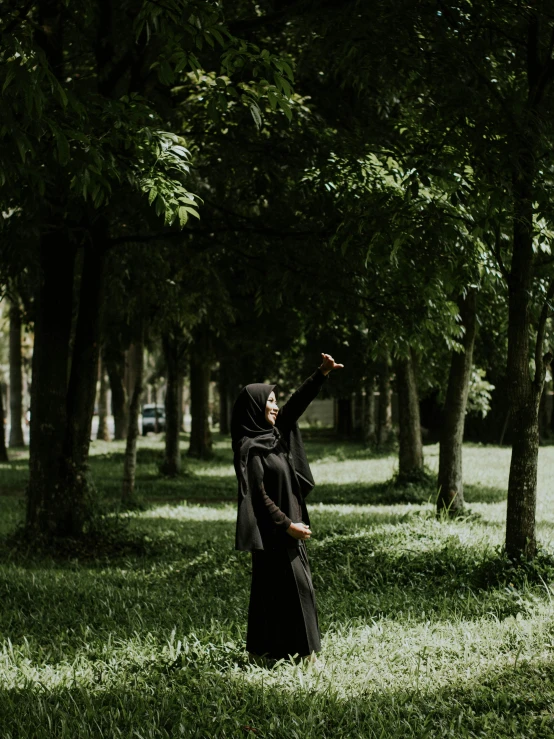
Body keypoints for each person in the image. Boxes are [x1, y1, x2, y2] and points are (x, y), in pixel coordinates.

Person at [231, 353, 344, 662]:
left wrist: (320, 374)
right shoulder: (250, 449)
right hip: (275, 532)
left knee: (278, 592)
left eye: (275, 400)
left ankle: (266, 652)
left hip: (290, 526)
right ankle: (307, 656)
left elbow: (296, 404)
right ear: (255, 407)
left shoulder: (274, 436)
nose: (275, 405)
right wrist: (287, 526)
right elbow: (259, 497)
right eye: (269, 401)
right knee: (294, 589)